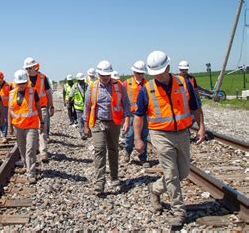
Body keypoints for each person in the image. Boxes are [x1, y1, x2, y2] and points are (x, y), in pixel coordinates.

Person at [134, 51, 205, 226]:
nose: (158, 75)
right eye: (154, 72)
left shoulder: (183, 84)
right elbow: (138, 116)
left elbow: (195, 107)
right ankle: (179, 212)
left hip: (182, 133)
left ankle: (155, 189)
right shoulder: (147, 89)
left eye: (161, 71)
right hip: (160, 135)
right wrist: (138, 139)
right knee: (171, 174)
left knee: (184, 172)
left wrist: (202, 127)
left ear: (168, 67)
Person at [83, 60, 131, 194]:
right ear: (98, 74)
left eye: (107, 75)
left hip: (114, 123)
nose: (105, 78)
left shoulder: (119, 86)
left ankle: (114, 176)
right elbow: (87, 107)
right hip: (98, 122)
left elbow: (126, 104)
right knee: (99, 149)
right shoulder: (92, 87)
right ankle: (99, 182)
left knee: (113, 149)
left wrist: (126, 120)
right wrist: (86, 126)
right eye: (103, 75)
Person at [8, 70, 43, 184]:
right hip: (18, 126)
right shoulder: (12, 94)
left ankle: (31, 172)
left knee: (30, 149)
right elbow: (10, 111)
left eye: (23, 83)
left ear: (27, 82)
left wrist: (41, 122)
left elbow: (38, 107)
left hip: (31, 126)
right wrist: (10, 126)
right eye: (19, 83)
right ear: (15, 83)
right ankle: (25, 164)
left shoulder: (33, 92)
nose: (22, 85)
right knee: (22, 149)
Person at [23, 57, 54, 162]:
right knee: (32, 131)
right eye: (26, 68)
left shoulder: (42, 78)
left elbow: (48, 93)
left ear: (34, 67)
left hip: (42, 107)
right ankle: (35, 149)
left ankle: (44, 153)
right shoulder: (24, 79)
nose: (28, 70)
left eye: (30, 68)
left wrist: (52, 106)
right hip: (30, 109)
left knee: (42, 129)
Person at [122, 60, 149, 167]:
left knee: (143, 136)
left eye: (142, 73)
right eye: (138, 73)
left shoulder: (147, 84)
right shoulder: (126, 83)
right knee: (130, 136)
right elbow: (122, 100)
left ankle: (143, 157)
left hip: (144, 115)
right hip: (132, 115)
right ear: (133, 72)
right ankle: (127, 152)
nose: (140, 75)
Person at [69, 72, 87, 139]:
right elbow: (71, 95)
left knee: (86, 120)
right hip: (78, 107)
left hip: (86, 107)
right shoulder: (75, 86)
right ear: (77, 80)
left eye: (83, 80)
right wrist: (68, 102)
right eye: (81, 80)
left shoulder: (86, 86)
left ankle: (87, 131)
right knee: (80, 120)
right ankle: (82, 134)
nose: (82, 81)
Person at [0, 71, 11, 143]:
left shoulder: (8, 86)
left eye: (0, 80)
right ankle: (2, 133)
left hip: (5, 106)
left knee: (4, 121)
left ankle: (4, 136)